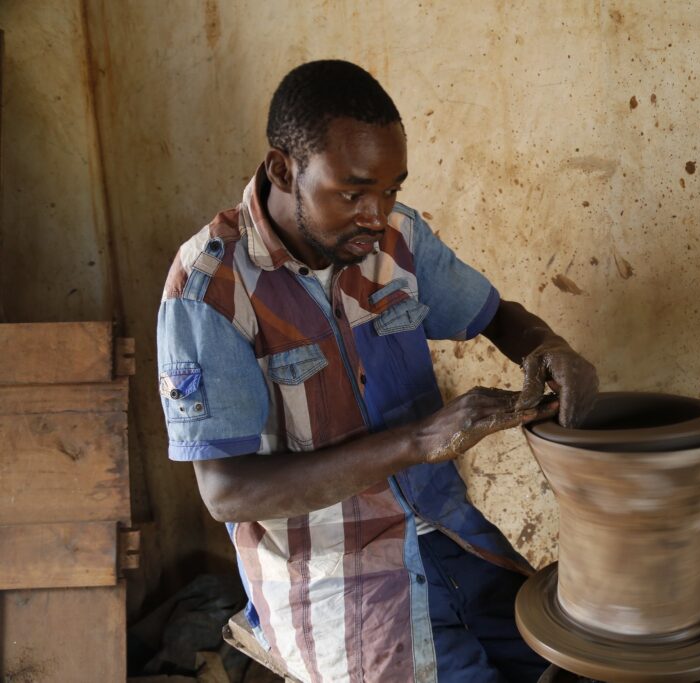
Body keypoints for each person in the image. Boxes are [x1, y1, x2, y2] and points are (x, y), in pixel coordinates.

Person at [156, 60, 599, 683]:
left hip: (447, 533)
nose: (376, 213)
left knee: (574, 662)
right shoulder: (210, 290)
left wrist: (548, 346)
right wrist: (418, 441)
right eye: (353, 192)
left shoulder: (397, 237)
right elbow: (227, 492)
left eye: (391, 190)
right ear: (282, 169)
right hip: (338, 580)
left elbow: (496, 314)